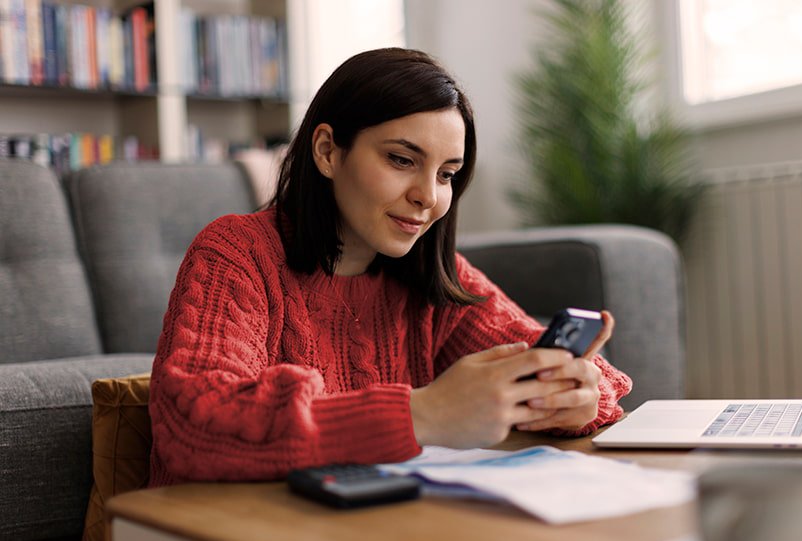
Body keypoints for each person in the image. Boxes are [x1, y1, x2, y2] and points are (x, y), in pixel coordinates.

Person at [148, 47, 632, 487]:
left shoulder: (434, 277)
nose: (428, 196)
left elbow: (596, 377)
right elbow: (195, 425)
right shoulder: (237, 253)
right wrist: (423, 414)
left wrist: (576, 398)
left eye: (447, 174)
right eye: (402, 159)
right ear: (327, 152)